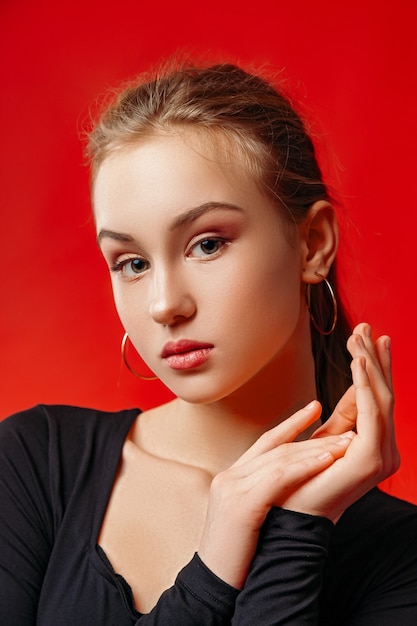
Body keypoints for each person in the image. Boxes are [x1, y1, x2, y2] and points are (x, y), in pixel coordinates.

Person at [1, 61, 416, 626]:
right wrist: (214, 569)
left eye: (207, 244)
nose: (163, 304)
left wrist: (294, 530)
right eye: (132, 262)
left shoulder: (401, 556)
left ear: (313, 244)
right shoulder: (32, 463)